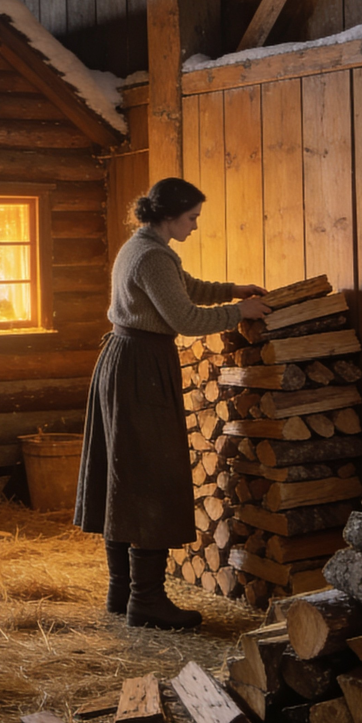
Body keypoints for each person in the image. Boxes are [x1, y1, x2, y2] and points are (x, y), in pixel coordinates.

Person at [74, 177, 271, 630]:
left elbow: (188, 288)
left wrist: (234, 289)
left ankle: (121, 592)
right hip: (141, 368)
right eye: (192, 218)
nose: (195, 226)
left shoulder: (139, 246)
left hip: (125, 361)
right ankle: (145, 602)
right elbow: (184, 317)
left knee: (126, 472)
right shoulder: (153, 255)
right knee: (149, 477)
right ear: (170, 215)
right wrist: (239, 313)